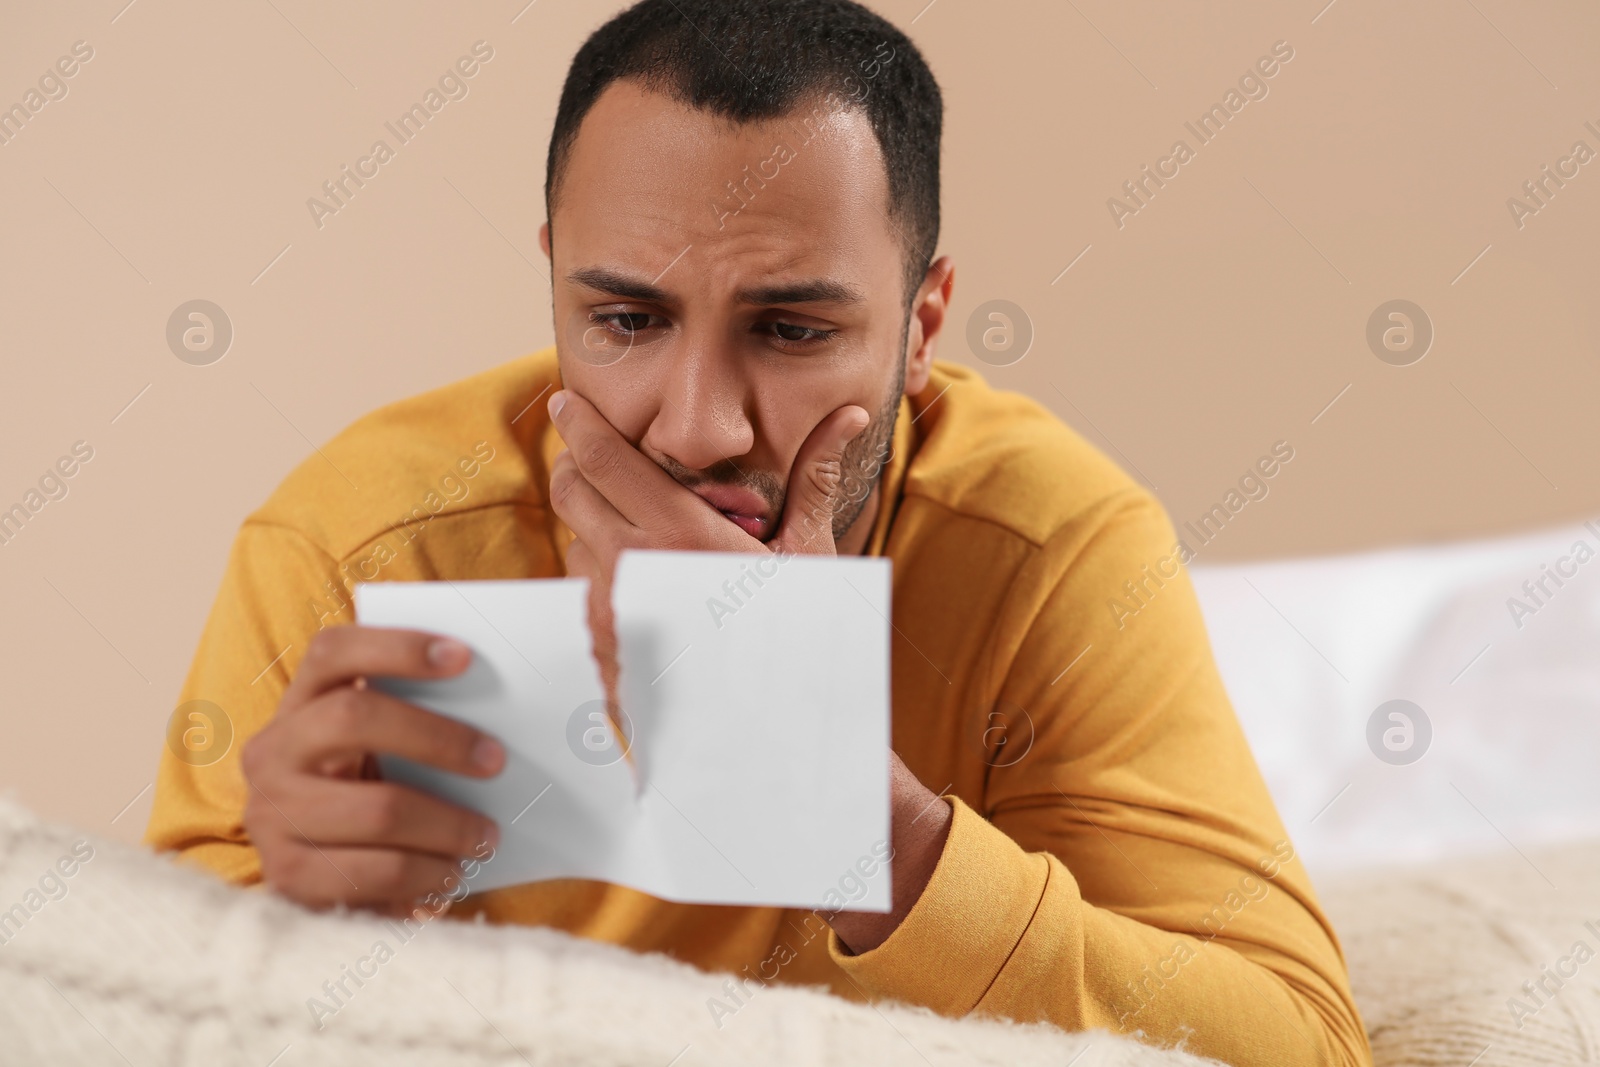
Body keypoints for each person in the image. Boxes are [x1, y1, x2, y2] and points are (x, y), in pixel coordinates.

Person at [145, 2, 1372, 1063]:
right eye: (626, 319)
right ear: (555, 282)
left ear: (922, 323)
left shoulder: (1050, 549)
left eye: (790, 330)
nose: (695, 427)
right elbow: (136, 1012)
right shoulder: (359, 544)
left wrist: (869, 828)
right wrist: (296, 944)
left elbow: (1300, 1043)